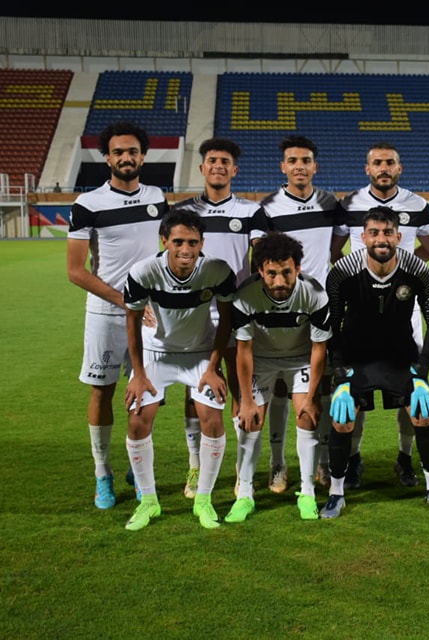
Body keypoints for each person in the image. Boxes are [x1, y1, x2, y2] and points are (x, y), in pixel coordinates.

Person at [337, 141, 429, 489]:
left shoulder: (416, 205)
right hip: (361, 314)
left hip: (405, 314)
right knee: (356, 394)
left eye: (389, 162)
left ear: (399, 168)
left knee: (412, 393)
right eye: (377, 162)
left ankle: (405, 459)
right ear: (367, 168)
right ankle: (353, 459)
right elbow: (333, 251)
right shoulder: (349, 204)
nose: (384, 168)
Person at [324, 206, 429, 518]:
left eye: (387, 233)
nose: (381, 239)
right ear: (363, 237)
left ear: (399, 236)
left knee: (423, 413)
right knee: (342, 418)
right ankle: (336, 493)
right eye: (374, 233)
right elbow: (332, 325)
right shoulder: (343, 272)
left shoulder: (417, 269)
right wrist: (340, 374)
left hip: (400, 357)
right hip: (357, 358)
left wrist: (421, 372)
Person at [66, 121, 167, 510]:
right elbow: (75, 271)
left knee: (145, 393)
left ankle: (137, 470)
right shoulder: (88, 204)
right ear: (107, 158)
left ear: (143, 156)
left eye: (132, 151)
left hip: (151, 315)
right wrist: (126, 301)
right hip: (107, 313)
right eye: (118, 152)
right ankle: (102, 473)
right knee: (102, 391)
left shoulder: (157, 197)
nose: (126, 157)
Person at [120, 208, 238, 530]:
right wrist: (138, 374)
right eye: (178, 242)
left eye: (193, 242)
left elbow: (226, 319)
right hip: (156, 353)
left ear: (202, 243)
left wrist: (213, 366)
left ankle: (204, 500)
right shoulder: (143, 272)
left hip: (199, 353)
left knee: (212, 420)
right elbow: (131, 322)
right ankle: (148, 502)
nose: (185, 250)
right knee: (137, 421)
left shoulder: (217, 271)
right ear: (164, 241)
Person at [170, 138, 269, 500]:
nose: (218, 166)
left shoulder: (251, 211)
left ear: (234, 170)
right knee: (194, 390)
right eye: (212, 160)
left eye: (225, 161)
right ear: (202, 168)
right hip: (193, 313)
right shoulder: (182, 210)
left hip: (237, 311)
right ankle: (195, 464)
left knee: (243, 389)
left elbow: (261, 258)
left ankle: (243, 472)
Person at [259, 135, 345, 495]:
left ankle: (321, 461)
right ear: (283, 166)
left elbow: (336, 247)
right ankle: (278, 463)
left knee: (319, 386)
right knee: (281, 387)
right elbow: (260, 257)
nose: (299, 166)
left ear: (315, 166)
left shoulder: (330, 203)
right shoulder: (268, 207)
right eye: (292, 160)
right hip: (282, 308)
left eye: (305, 160)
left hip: (322, 307)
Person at [231, 232, 331, 522]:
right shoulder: (245, 295)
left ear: (297, 269)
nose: (279, 281)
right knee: (250, 421)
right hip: (261, 359)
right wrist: (246, 400)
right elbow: (243, 351)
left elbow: (319, 349)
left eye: (286, 272)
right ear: (260, 271)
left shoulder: (314, 293)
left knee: (307, 416)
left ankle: (307, 493)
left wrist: (311, 397)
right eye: (271, 273)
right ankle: (245, 494)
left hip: (299, 357)